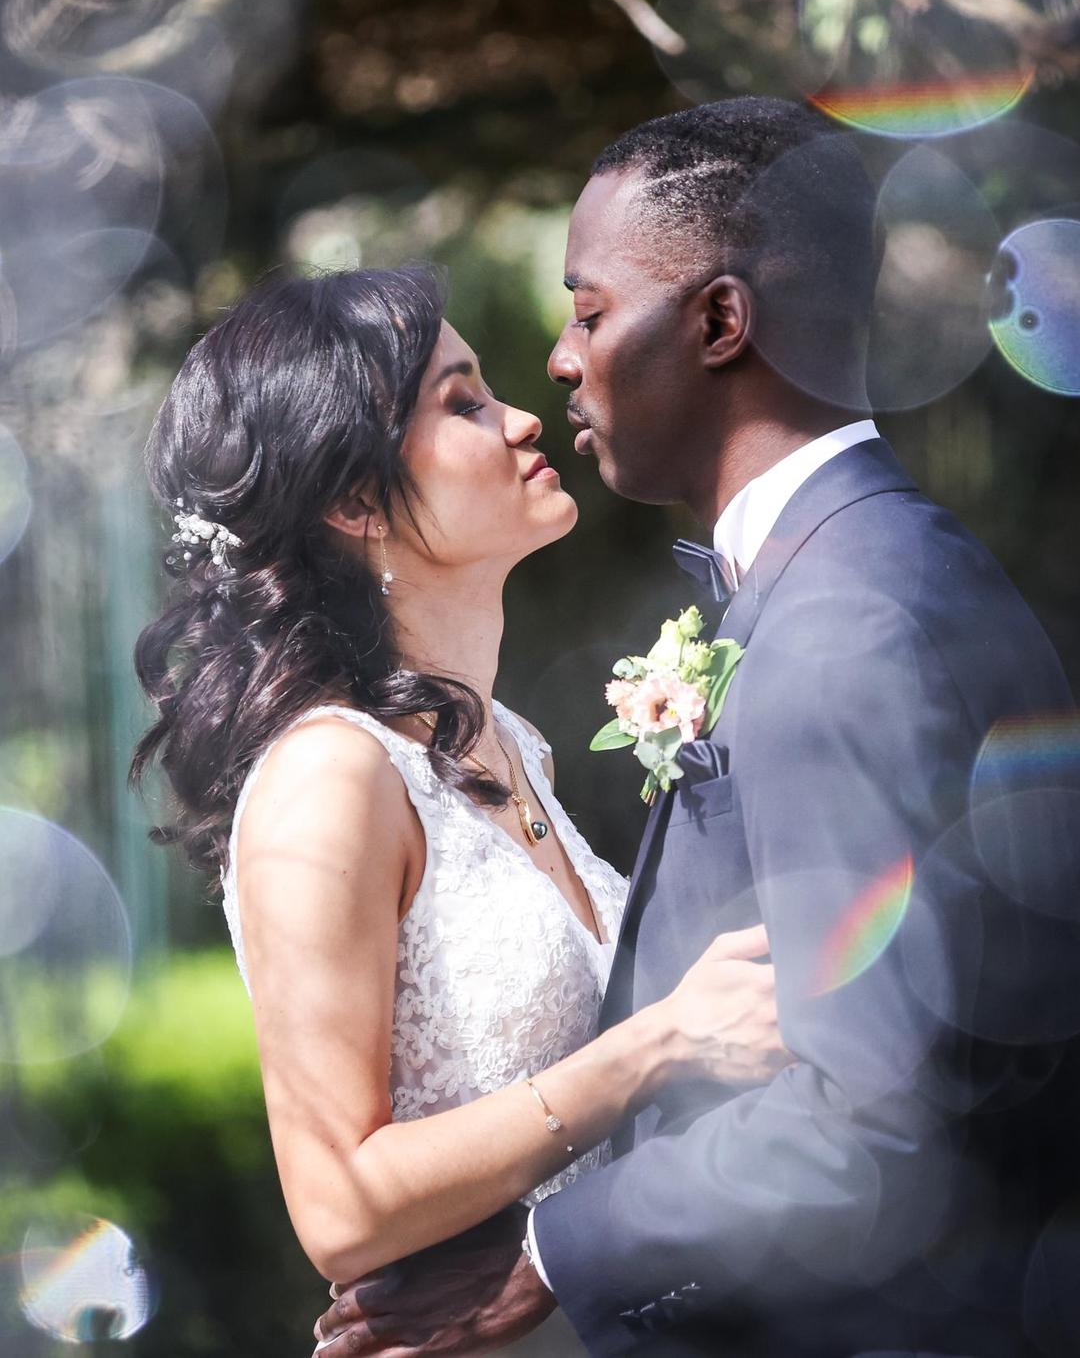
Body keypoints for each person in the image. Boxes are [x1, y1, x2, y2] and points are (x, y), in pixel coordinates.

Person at [316, 97, 1080, 1358]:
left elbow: (872, 1115)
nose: (558, 359)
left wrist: (559, 1253)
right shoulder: (871, 568)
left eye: (593, 309)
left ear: (721, 321)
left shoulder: (853, 630)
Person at [129, 266, 790, 1338]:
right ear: (353, 500)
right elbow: (340, 1206)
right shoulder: (330, 779)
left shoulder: (507, 742)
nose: (526, 418)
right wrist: (658, 1045)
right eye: (464, 402)